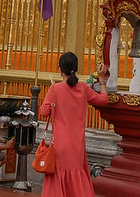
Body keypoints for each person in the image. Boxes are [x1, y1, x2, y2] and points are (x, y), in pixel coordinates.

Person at [37, 53, 108, 197]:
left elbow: (44, 112)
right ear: (76, 69)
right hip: (77, 145)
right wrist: (101, 80)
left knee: (58, 174)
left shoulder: (55, 89)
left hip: (60, 144)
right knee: (77, 175)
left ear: (60, 69)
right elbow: (103, 100)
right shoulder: (83, 88)